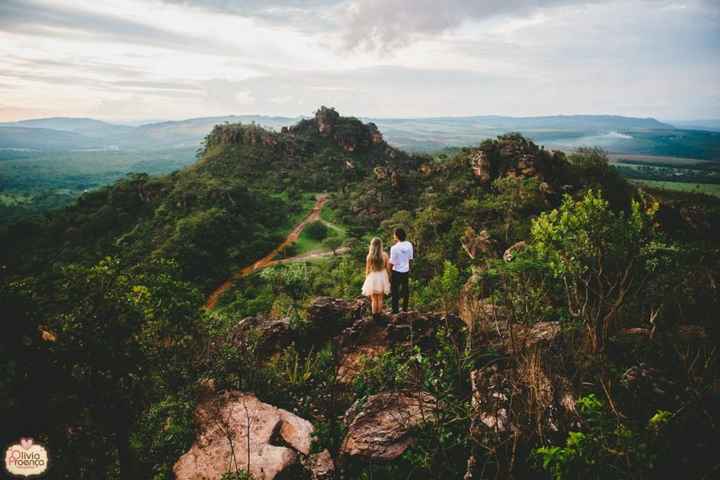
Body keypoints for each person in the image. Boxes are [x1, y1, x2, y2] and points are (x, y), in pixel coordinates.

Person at [361, 237, 391, 320]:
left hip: (373, 277)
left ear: (372, 245)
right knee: (380, 298)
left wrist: (367, 279)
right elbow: (388, 268)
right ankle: (380, 315)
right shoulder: (384, 255)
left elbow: (367, 270)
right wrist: (389, 277)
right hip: (382, 277)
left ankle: (375, 317)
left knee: (374, 299)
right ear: (381, 245)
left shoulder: (369, 256)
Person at [389, 227, 413, 313]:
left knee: (395, 291)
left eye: (394, 234)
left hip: (396, 271)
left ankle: (395, 310)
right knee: (405, 290)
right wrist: (409, 269)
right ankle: (405, 309)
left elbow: (392, 262)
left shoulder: (394, 248)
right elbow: (410, 259)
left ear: (397, 236)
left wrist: (389, 274)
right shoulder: (409, 244)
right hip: (406, 271)